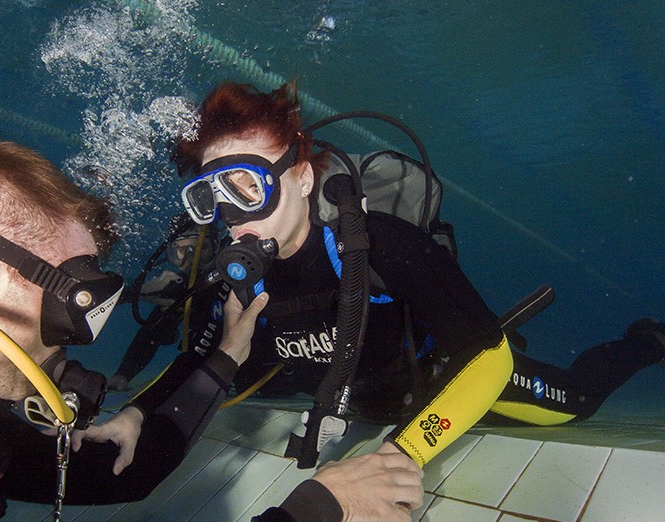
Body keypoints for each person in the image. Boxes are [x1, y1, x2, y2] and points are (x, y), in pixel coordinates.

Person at [0, 132, 425, 522]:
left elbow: (120, 474)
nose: (71, 345)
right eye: (75, 306)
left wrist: (226, 353)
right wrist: (319, 506)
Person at [169, 80, 665, 469]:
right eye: (211, 198)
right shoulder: (238, 284)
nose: (231, 215)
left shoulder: (376, 244)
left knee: (578, 400)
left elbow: (489, 360)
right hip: (361, 406)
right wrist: (136, 417)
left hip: (445, 387)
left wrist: (402, 455)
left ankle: (646, 341)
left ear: (301, 178)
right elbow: (204, 363)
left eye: (246, 187)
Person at [108, 218, 221, 391]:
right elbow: (151, 334)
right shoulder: (177, 289)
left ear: (217, 247)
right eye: (183, 250)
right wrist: (123, 374)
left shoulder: (234, 276)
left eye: (202, 248)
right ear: (173, 252)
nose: (192, 259)